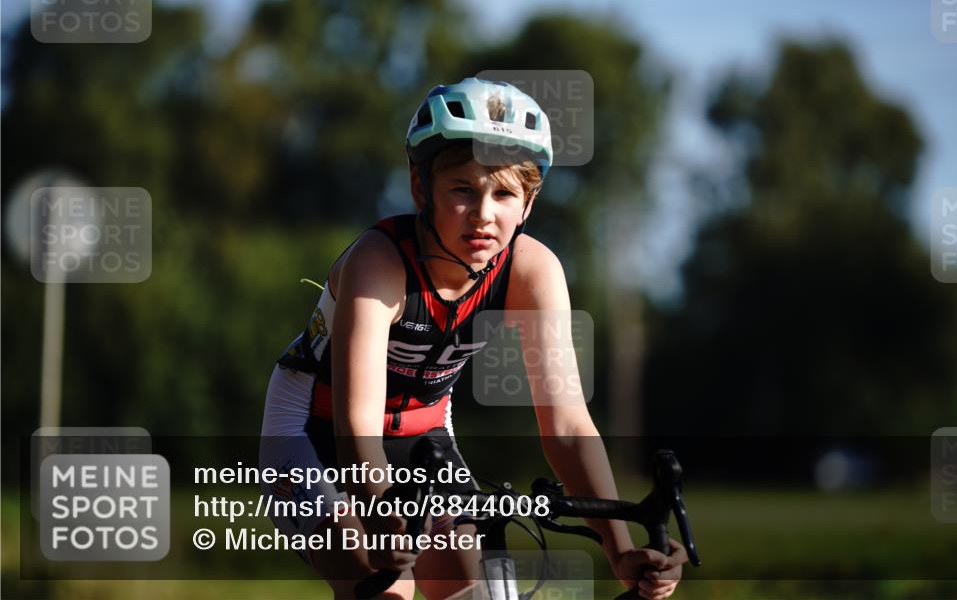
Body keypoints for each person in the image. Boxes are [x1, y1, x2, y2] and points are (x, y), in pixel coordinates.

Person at [259, 78, 686, 599]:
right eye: (462, 189)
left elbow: (568, 425)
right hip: (313, 433)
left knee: (481, 590)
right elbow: (355, 425)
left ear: (528, 206)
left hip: (424, 438)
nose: (484, 213)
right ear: (422, 190)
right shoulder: (380, 262)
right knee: (386, 586)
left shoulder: (533, 270)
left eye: (505, 193)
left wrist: (619, 549)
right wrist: (378, 508)